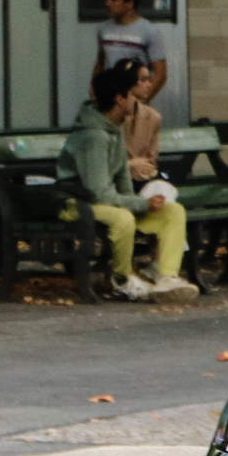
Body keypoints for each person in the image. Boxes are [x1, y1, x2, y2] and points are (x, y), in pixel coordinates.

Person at [61, 66, 194, 301]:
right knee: (122, 218)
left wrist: (142, 202)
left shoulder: (113, 131)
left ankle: (167, 278)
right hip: (77, 203)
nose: (135, 100)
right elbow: (99, 193)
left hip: (103, 201)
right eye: (131, 95)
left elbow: (123, 185)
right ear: (120, 99)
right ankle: (120, 280)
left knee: (172, 211)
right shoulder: (93, 137)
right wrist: (140, 205)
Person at [92, 0, 170, 96]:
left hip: (133, 97)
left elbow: (160, 74)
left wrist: (141, 101)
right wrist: (94, 89)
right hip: (109, 101)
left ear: (129, 2)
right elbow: (101, 63)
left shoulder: (149, 31)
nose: (107, 3)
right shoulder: (103, 29)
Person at [114, 59, 165, 182]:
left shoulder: (153, 117)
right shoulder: (107, 115)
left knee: (163, 191)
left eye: (148, 79)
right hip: (113, 181)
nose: (149, 85)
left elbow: (151, 162)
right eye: (143, 80)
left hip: (143, 179)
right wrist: (130, 165)